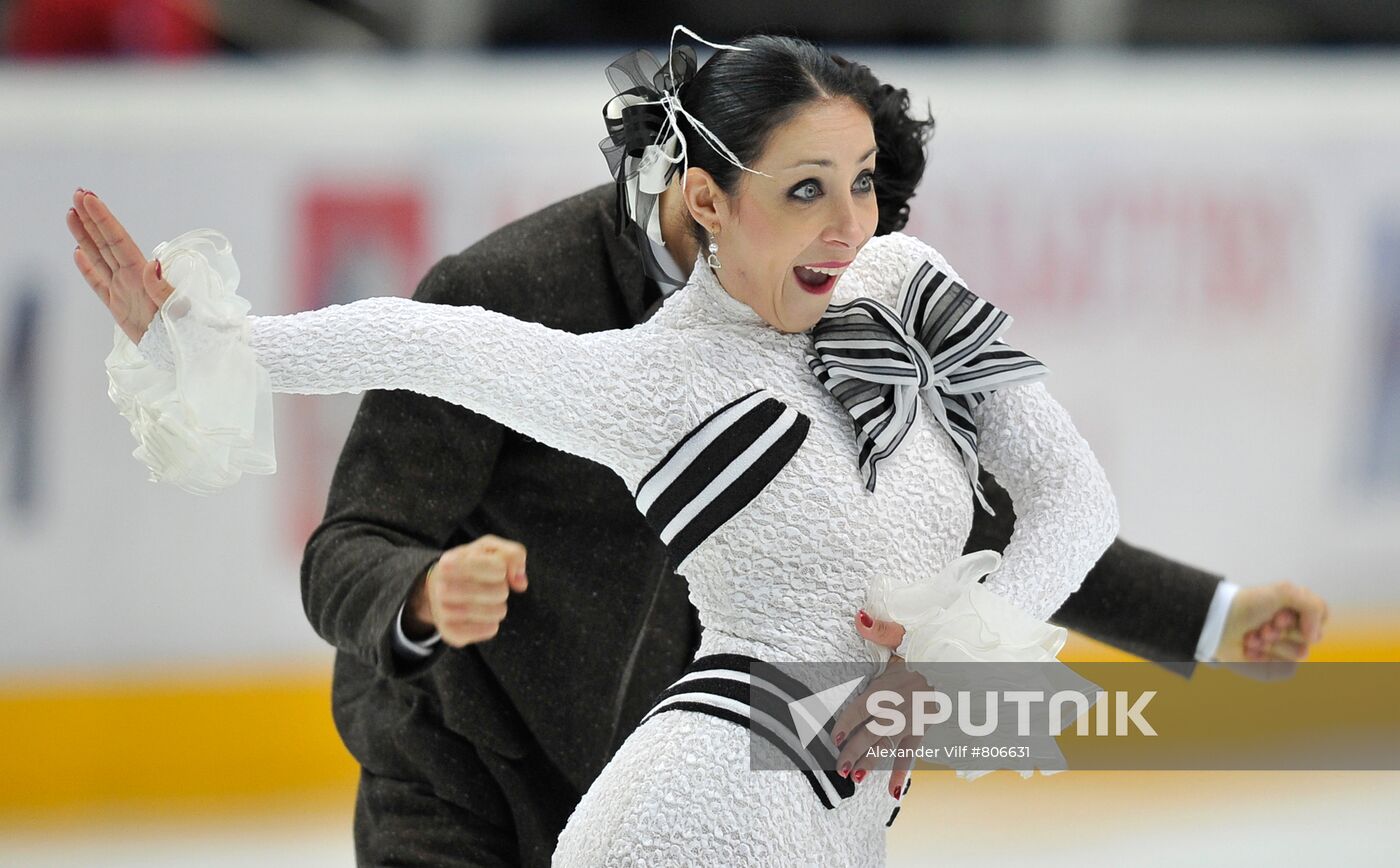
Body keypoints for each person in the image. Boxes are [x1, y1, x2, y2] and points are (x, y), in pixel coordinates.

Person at [69, 31, 1328, 866]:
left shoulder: (892, 292)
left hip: (802, 765)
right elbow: (404, 389)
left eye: (864, 182)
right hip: (476, 771)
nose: (845, 226)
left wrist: (1201, 616)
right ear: (704, 194)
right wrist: (218, 343)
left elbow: (990, 516)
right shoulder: (547, 305)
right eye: (802, 190)